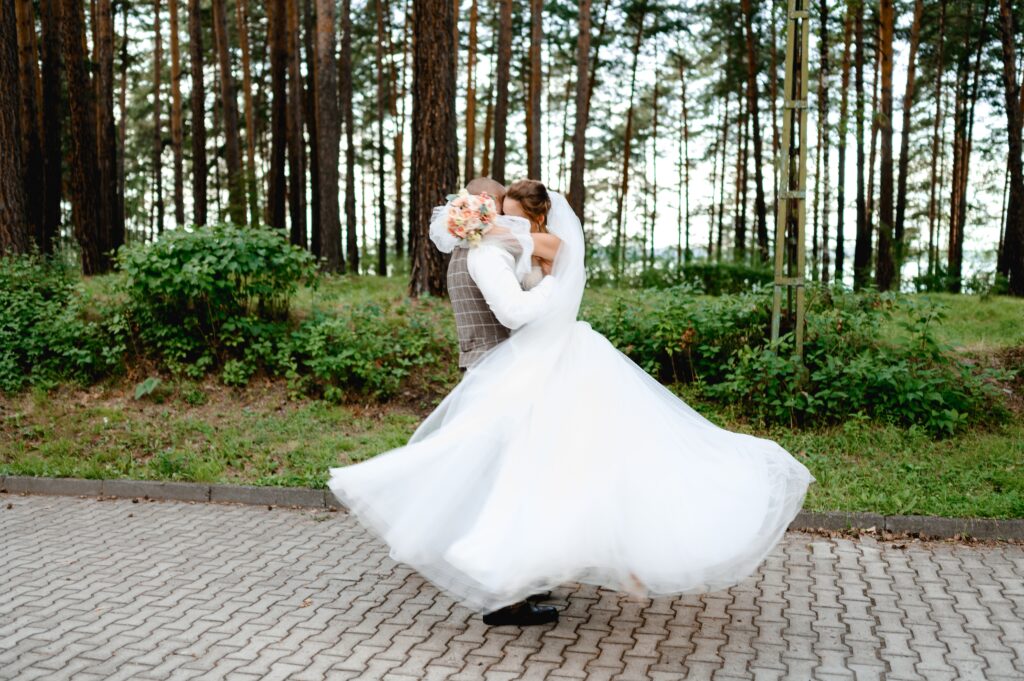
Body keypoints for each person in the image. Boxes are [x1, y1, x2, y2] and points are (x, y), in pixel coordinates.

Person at [327, 178, 815, 628]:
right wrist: (555, 287)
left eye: (513, 216)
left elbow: (538, 266)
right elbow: (515, 312)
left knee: (527, 469)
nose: (505, 223)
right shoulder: (483, 254)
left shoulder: (500, 248)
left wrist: (544, 270)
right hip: (510, 370)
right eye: (498, 214)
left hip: (523, 367)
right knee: (501, 469)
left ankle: (523, 571)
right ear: (481, 212)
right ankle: (501, 576)